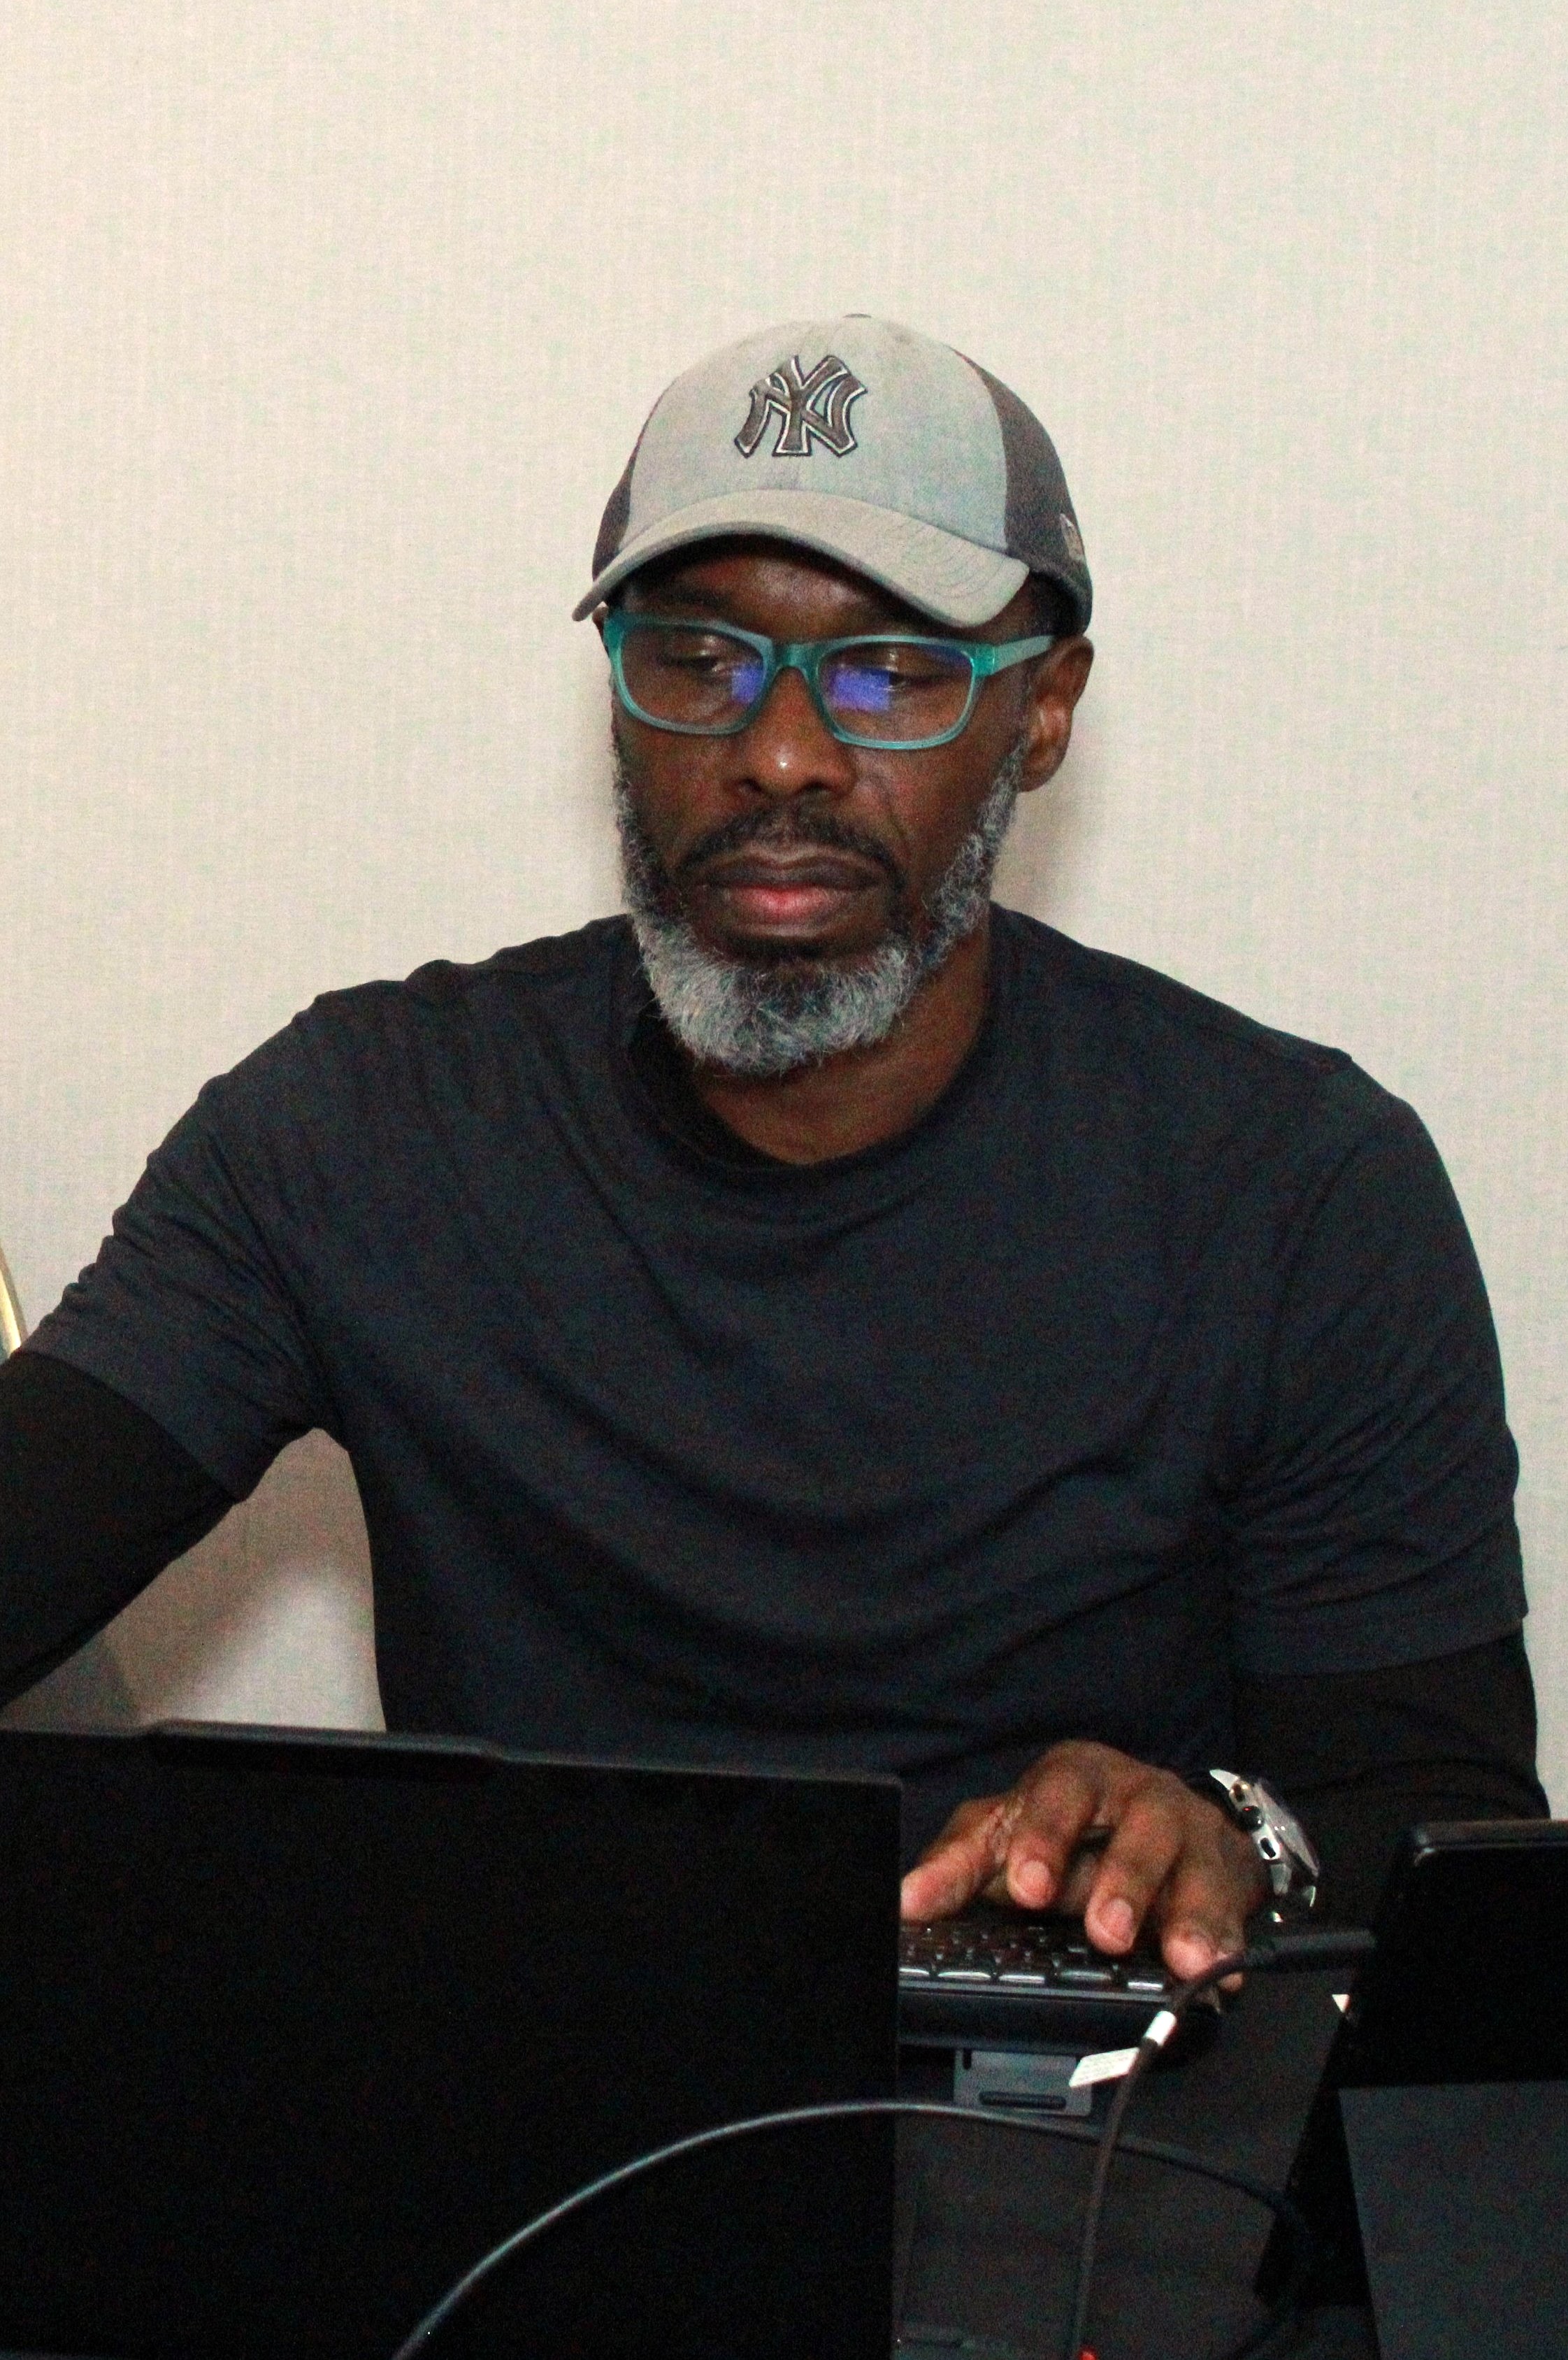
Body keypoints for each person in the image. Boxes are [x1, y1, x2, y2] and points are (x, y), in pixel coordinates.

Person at [0, 317, 1546, 1974]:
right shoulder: (363, 1132)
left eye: (889, 670)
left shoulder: (1295, 1190)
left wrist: (1236, 1843)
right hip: (527, 2088)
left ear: (1041, 712)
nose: (781, 752)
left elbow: (1444, 1840)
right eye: (699, 658)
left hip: (1088, 2101)